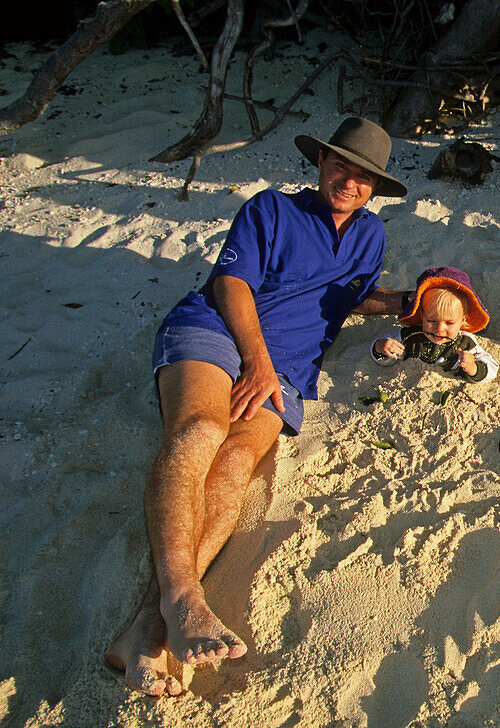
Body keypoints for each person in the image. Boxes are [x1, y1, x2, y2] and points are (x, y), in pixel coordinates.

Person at [106, 117, 412, 696]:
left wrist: (402, 302)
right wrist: (257, 360)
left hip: (290, 371)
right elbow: (232, 285)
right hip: (219, 333)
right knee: (198, 430)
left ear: (376, 187)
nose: (350, 182)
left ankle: (150, 626)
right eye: (341, 166)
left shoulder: (371, 237)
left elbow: (345, 297)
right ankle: (182, 598)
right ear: (321, 163)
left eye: (364, 176)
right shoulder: (271, 209)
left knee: (234, 465)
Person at [371, 266, 500, 383]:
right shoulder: (412, 336)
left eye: (449, 323)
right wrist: (380, 348)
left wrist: (473, 368)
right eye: (431, 321)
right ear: (422, 316)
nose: (439, 329)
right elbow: (388, 358)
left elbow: (491, 368)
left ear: (462, 320)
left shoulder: (465, 343)